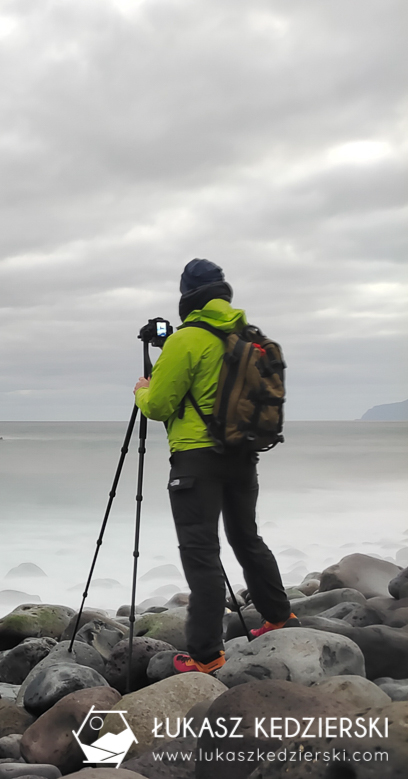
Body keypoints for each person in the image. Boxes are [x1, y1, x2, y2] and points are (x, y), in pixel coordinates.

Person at [133, 258, 297, 674]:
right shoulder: (246, 336)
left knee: (201, 552)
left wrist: (141, 390)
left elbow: (160, 404)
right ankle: (279, 615)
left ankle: (206, 654)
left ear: (186, 296)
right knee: (247, 538)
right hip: (243, 454)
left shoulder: (186, 340)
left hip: (196, 460)